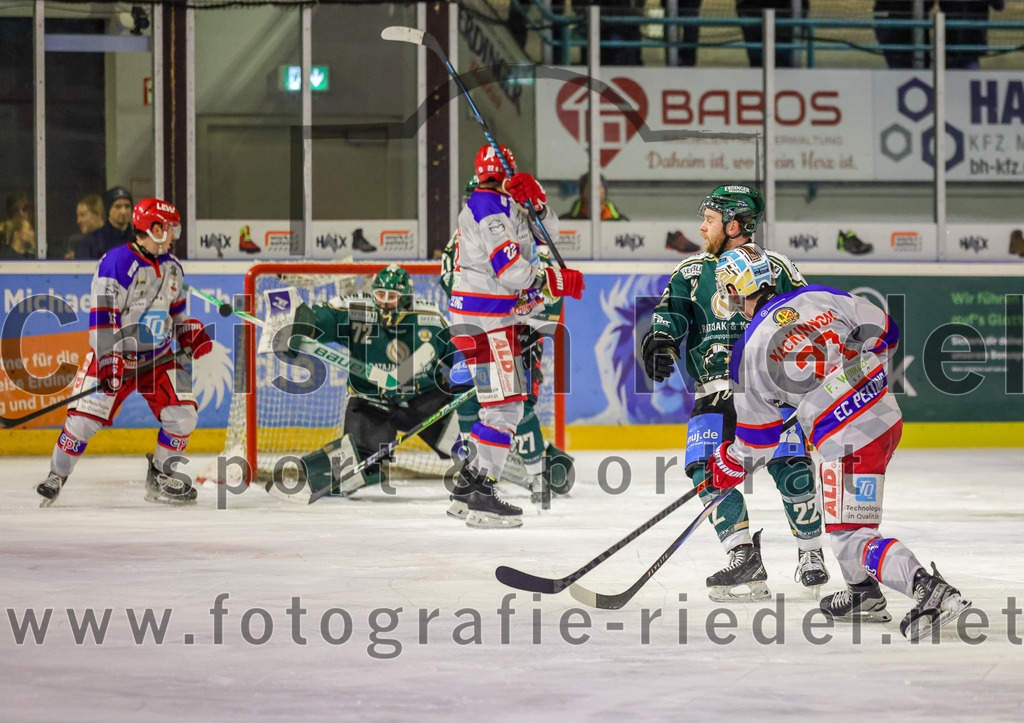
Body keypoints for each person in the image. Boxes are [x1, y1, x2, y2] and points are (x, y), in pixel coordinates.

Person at [709, 243, 972, 640]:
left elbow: (759, 442)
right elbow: (887, 331)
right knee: (844, 516)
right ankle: (862, 594)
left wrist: (730, 464)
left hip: (847, 439)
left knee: (852, 534)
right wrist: (853, 379)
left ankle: (930, 590)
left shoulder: (747, 350)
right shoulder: (818, 295)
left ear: (735, 290)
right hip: (884, 417)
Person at [641, 185, 829, 601]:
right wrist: (659, 341)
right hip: (713, 393)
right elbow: (668, 316)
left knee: (791, 466)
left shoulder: (777, 267)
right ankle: (742, 556)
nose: (701, 226)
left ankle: (811, 553)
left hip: (772, 390)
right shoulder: (691, 272)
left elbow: (807, 316)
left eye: (708, 219)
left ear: (732, 224)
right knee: (706, 471)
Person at [36, 198, 213, 507]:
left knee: (185, 413)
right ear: (155, 229)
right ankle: (56, 475)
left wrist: (189, 333)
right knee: (81, 422)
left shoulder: (173, 268)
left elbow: (177, 316)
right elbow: (103, 318)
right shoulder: (114, 262)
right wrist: (108, 360)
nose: (174, 235)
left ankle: (161, 475)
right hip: (115, 356)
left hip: (157, 358)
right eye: (170, 229)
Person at [446, 143, 584, 528]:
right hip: (485, 322)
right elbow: (509, 270)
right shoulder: (487, 206)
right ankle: (481, 494)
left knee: (499, 408)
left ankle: (468, 487)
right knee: (507, 408)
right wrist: (551, 280)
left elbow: (548, 237)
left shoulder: (508, 203)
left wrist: (539, 205)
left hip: (491, 320)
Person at [272, 264, 467, 501]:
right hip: (370, 400)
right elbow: (321, 319)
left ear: (405, 298)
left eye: (392, 296)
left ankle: (483, 471)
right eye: (380, 295)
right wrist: (298, 326)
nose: (385, 302)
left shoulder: (431, 319)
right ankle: (347, 468)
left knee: (461, 441)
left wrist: (467, 383)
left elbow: (460, 355)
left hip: (423, 396)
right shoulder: (356, 310)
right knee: (357, 465)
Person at [76, 186, 134, 260]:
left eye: (127, 206)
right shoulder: (92, 241)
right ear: (108, 209)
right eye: (118, 206)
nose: (123, 211)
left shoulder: (140, 239)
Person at [564, 172, 629, 221]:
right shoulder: (566, 221)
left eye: (599, 186)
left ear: (605, 191)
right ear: (582, 192)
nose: (596, 191)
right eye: (590, 186)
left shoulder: (621, 222)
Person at [65, 194, 105, 259]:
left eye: (82, 215)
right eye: (78, 216)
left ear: (98, 214)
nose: (78, 221)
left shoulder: (113, 241)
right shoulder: (78, 242)